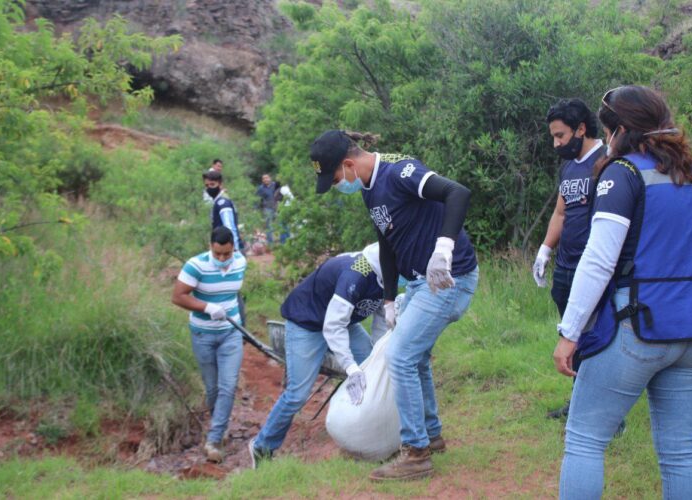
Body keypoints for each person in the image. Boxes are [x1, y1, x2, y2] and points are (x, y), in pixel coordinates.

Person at [553, 85, 692, 499]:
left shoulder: (623, 173)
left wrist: (570, 331)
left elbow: (598, 260)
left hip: (638, 326)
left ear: (619, 131)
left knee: (585, 439)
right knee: (682, 451)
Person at [311, 130, 479, 481]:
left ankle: (415, 454)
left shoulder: (400, 173)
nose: (340, 185)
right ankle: (431, 436)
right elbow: (386, 244)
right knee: (414, 358)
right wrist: (389, 299)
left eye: (337, 178)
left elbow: (457, 192)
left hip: (449, 277)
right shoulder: (370, 191)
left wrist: (444, 248)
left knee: (399, 356)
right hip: (419, 283)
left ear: (348, 163)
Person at [248, 242, 388, 468]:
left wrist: (381, 351)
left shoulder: (389, 273)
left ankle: (370, 432)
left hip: (344, 321)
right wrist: (350, 367)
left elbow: (382, 318)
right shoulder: (357, 273)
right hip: (308, 323)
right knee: (297, 394)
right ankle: (262, 446)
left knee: (372, 368)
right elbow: (332, 327)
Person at [532, 99, 606, 420]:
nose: (556, 143)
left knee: (595, 342)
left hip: (593, 270)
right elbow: (561, 212)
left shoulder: (608, 161)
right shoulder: (568, 167)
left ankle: (604, 414)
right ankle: (578, 403)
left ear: (581, 129)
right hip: (565, 268)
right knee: (570, 338)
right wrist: (545, 250)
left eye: (561, 136)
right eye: (553, 136)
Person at [171, 226, 248, 464]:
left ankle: (213, 440)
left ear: (233, 248)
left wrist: (240, 324)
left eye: (227, 253)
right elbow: (178, 296)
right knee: (212, 388)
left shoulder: (241, 263)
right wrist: (206, 307)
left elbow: (235, 295)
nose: (223, 259)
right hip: (203, 335)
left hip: (230, 333)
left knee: (228, 385)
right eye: (218, 254)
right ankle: (219, 424)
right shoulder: (196, 265)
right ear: (210, 247)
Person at [209, 171, 243, 252]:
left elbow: (230, 227)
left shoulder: (223, 203)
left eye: (212, 184)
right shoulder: (217, 201)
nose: (209, 188)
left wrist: (234, 249)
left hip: (227, 249)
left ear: (220, 185)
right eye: (207, 185)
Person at [255, 173, 281, 245]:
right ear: (262, 180)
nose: (266, 179)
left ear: (270, 178)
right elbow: (257, 199)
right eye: (264, 178)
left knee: (277, 226)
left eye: (267, 178)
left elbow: (280, 194)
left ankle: (277, 241)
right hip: (267, 209)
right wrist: (256, 209)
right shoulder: (261, 188)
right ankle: (270, 243)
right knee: (269, 226)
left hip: (277, 208)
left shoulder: (275, 185)